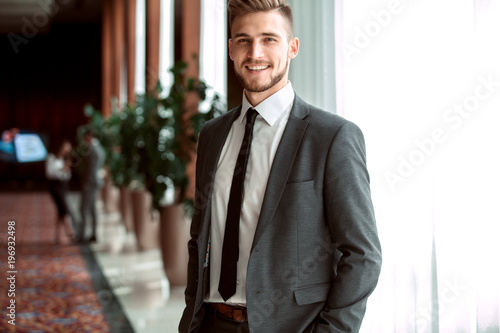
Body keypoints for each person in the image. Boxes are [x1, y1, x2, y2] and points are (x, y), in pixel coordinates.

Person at [180, 0, 382, 332]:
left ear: (292, 48)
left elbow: (363, 255)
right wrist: (190, 317)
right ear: (231, 49)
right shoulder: (212, 135)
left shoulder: (332, 137)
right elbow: (198, 239)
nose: (254, 52)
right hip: (211, 324)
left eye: (269, 39)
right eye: (243, 40)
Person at [76, 128, 105, 243]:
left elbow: (91, 170)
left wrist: (87, 184)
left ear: (89, 136)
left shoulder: (93, 150)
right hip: (94, 182)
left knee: (84, 208)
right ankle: (93, 234)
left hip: (90, 183)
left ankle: (83, 234)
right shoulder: (99, 148)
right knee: (92, 209)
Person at [45, 140, 76, 243]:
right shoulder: (51, 158)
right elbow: (50, 173)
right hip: (54, 186)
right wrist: (61, 170)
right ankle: (70, 231)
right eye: (64, 148)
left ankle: (57, 235)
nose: (65, 151)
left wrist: (66, 170)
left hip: (63, 186)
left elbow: (67, 176)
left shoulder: (64, 160)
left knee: (60, 211)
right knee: (64, 207)